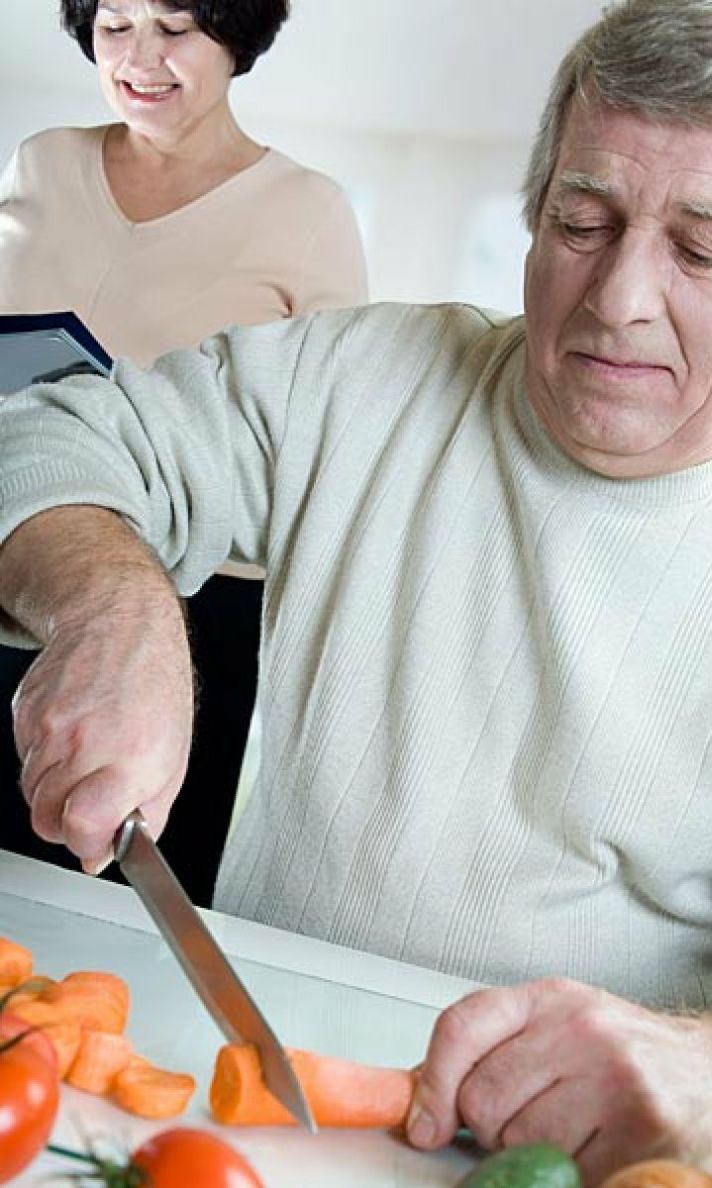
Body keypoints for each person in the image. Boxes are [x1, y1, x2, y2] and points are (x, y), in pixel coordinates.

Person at [1, 0, 712, 1180]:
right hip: (257, 1095)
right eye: (584, 220)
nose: (619, 296)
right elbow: (50, 432)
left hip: (596, 1158)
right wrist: (115, 606)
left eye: (701, 248)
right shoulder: (355, 376)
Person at [0, 0, 368, 904]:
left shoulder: (307, 213)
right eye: (115, 25)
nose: (138, 59)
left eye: (174, 28)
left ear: (234, 34)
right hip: (22, 550)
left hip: (195, 611)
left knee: (104, 884)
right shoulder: (43, 162)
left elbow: (327, 449)